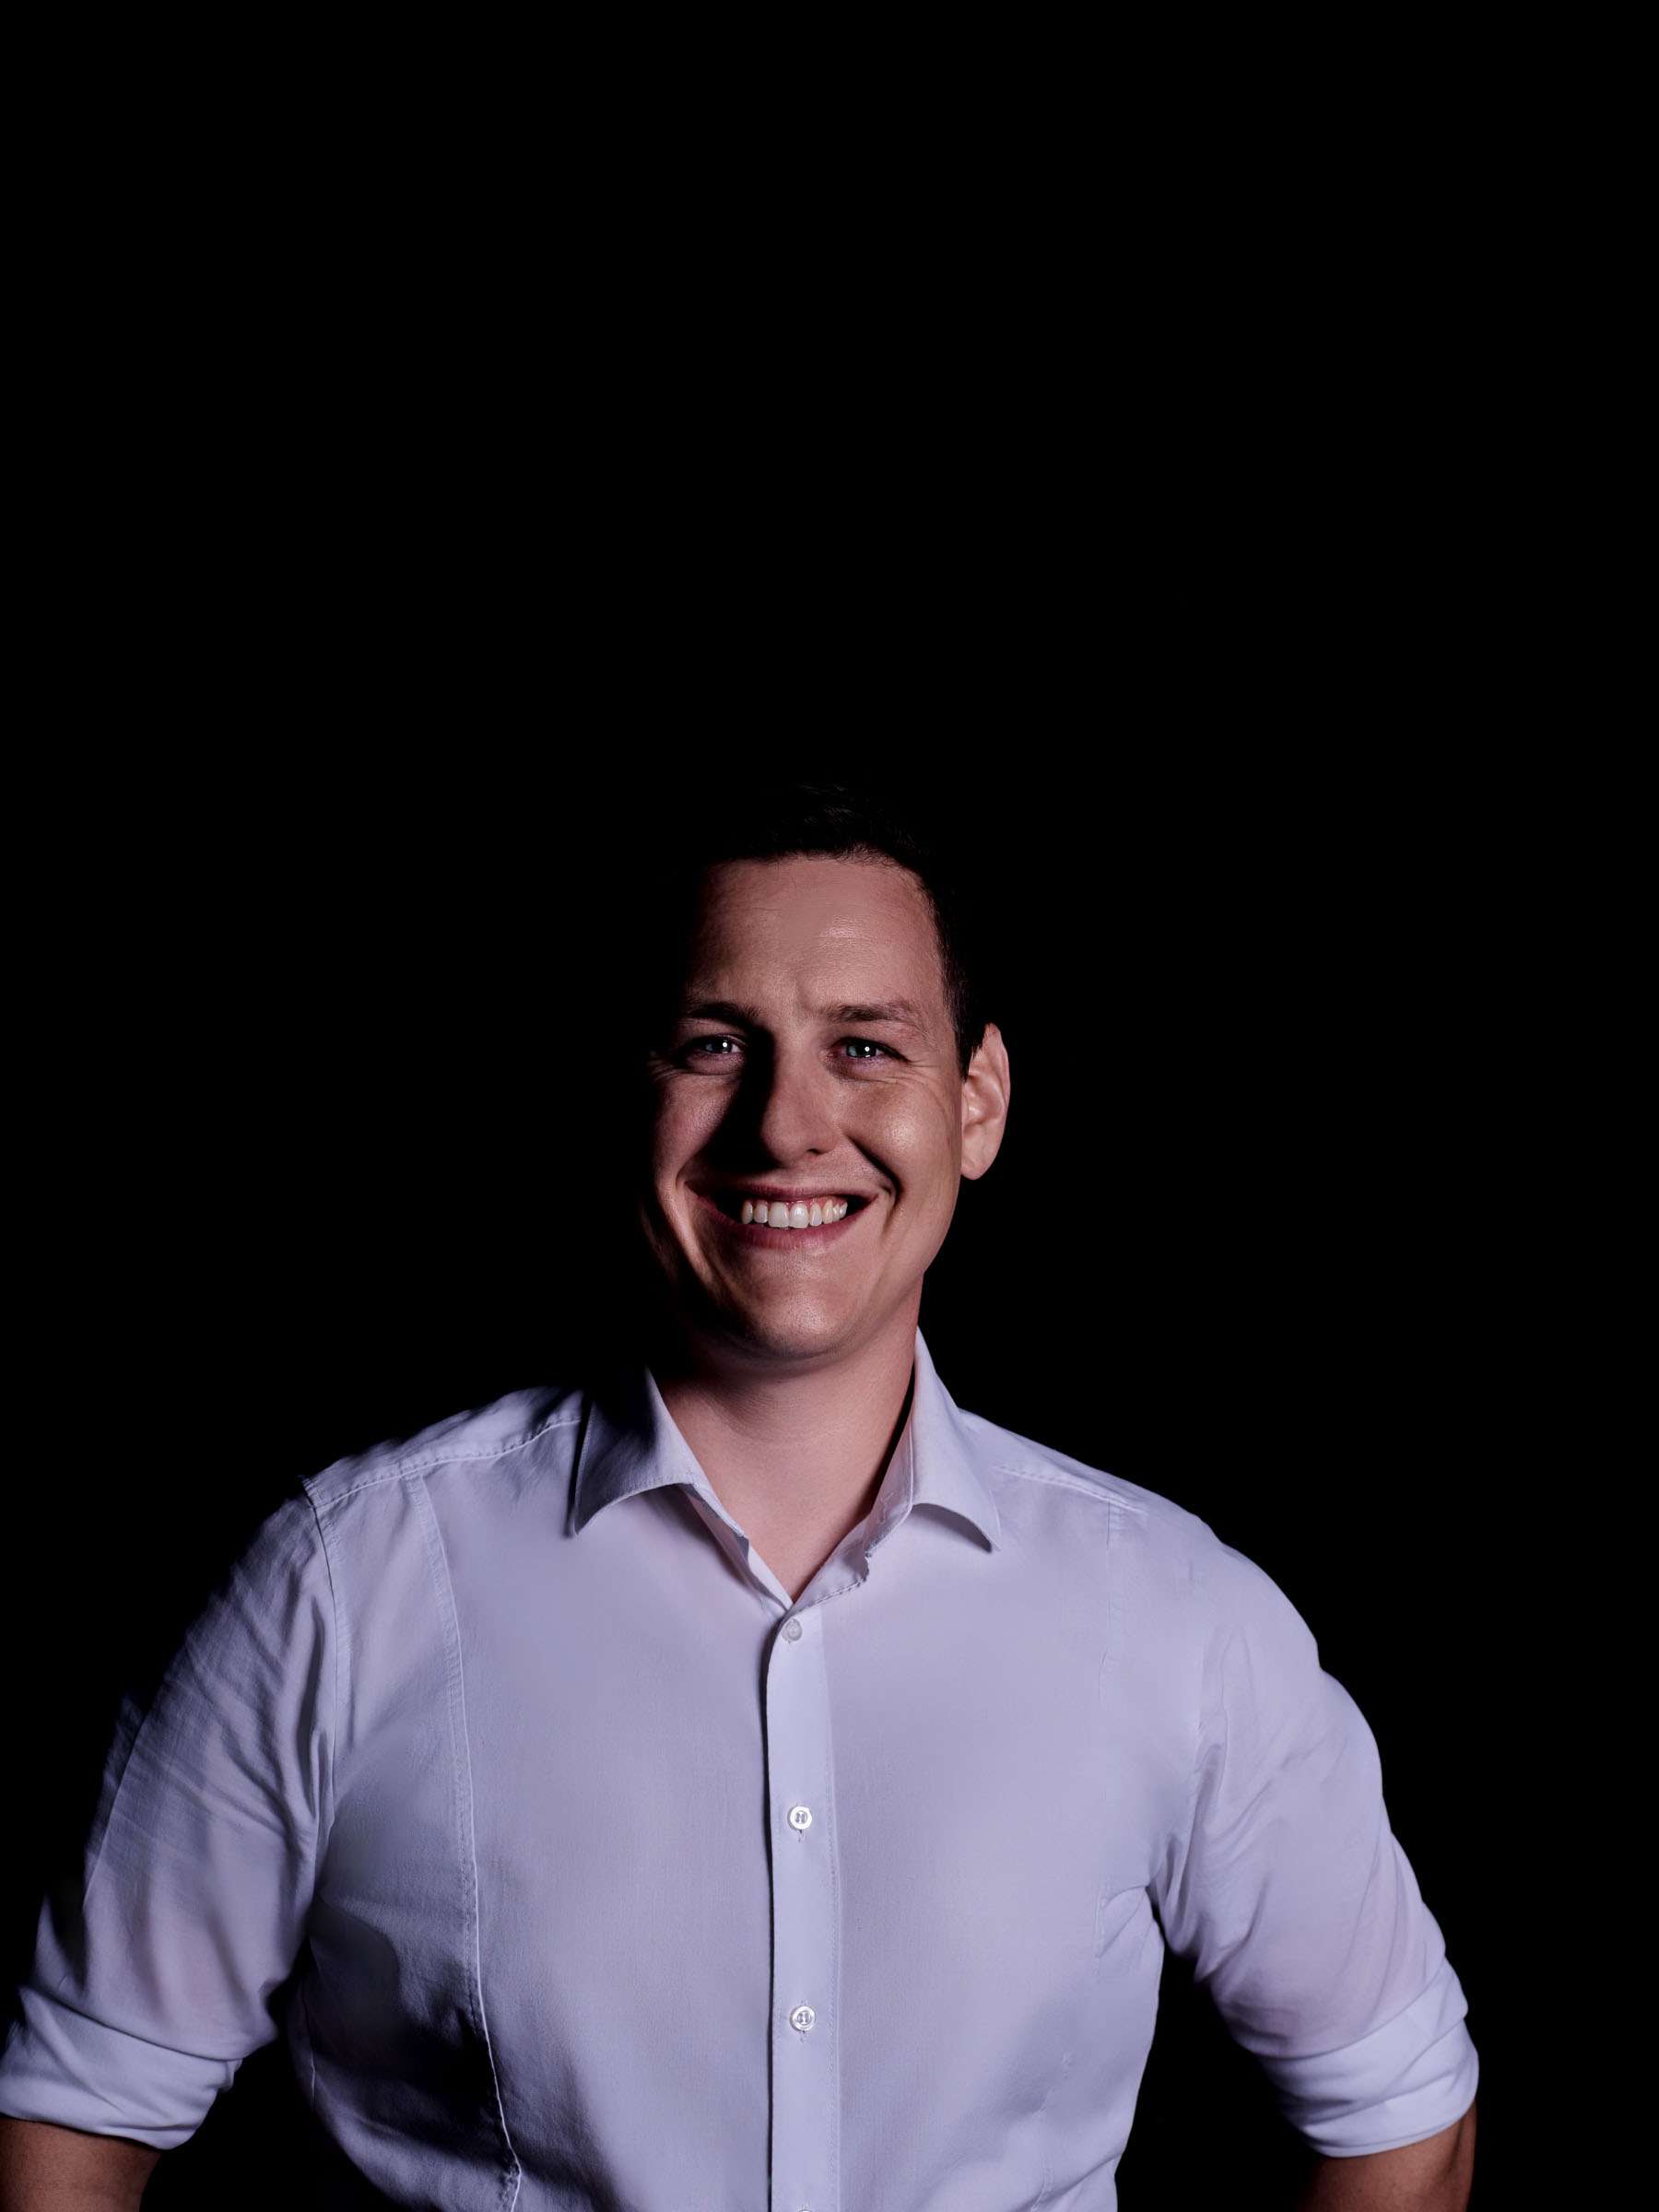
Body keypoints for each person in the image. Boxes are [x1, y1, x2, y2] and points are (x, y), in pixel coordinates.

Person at [0, 780, 1478, 2210]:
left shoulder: (1181, 1620)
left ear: (977, 1104)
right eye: (716, 1044)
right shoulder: (348, 1587)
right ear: (625, 1088)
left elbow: (1403, 2124)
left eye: (865, 1048)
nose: (787, 1125)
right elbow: (70, 2111)